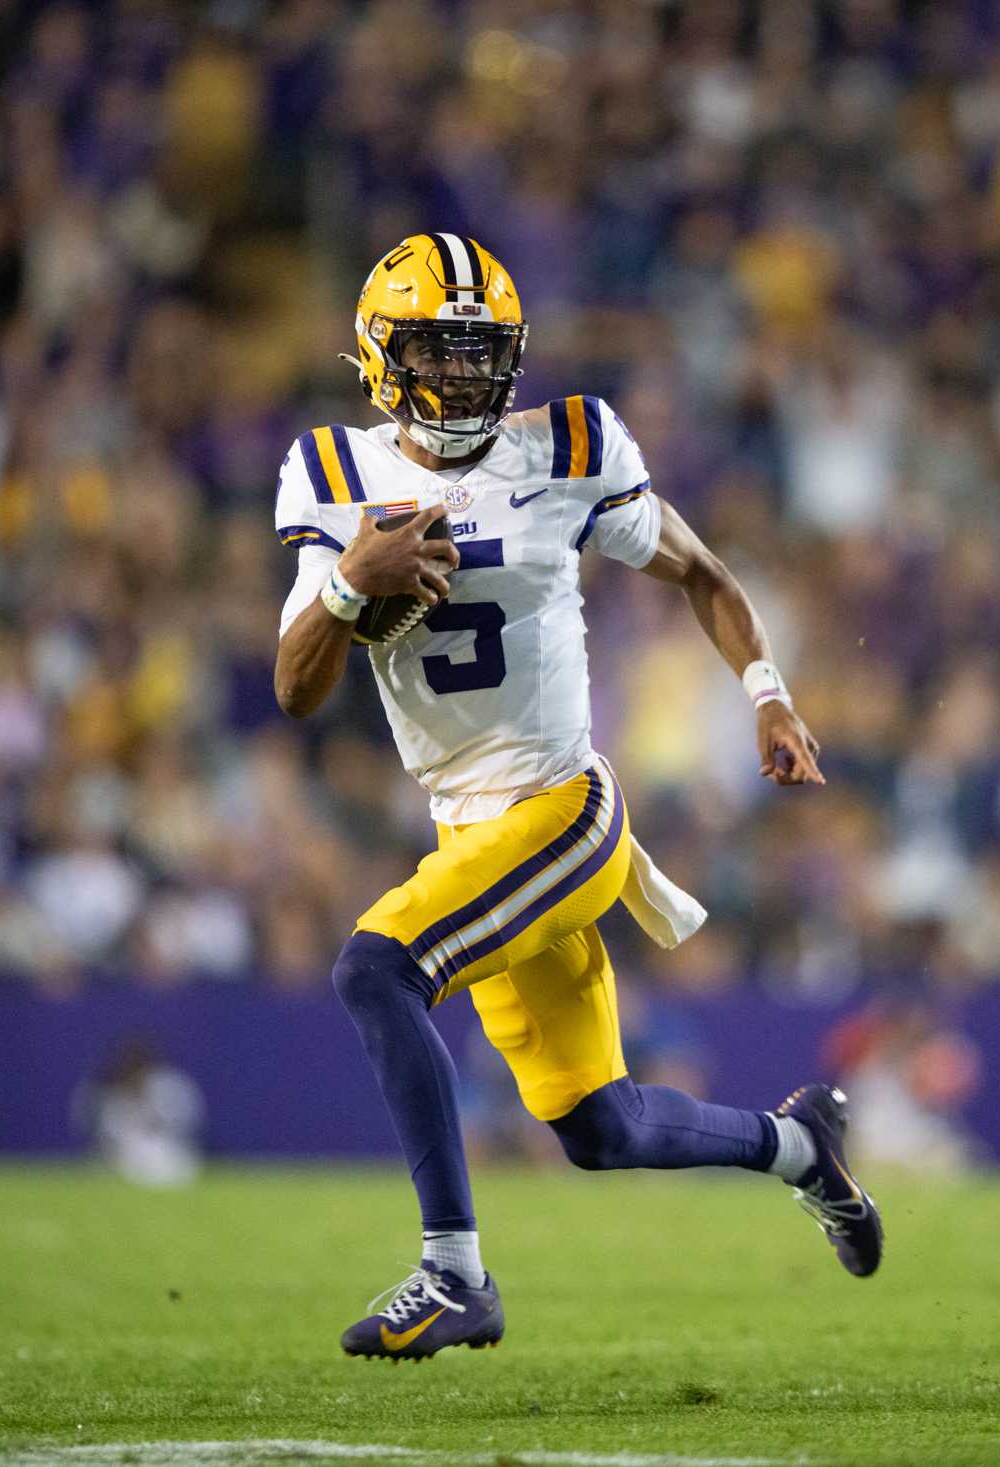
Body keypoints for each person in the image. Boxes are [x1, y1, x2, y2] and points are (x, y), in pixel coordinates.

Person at [272, 235, 880, 1362]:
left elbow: (703, 571)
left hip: (562, 812)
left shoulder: (570, 448)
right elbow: (296, 689)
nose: (462, 379)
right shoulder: (331, 472)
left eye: (480, 355)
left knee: (375, 966)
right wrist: (353, 584)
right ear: (379, 356)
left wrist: (769, 696)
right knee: (597, 1128)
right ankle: (801, 1147)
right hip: (470, 827)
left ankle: (452, 1271)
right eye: (436, 355)